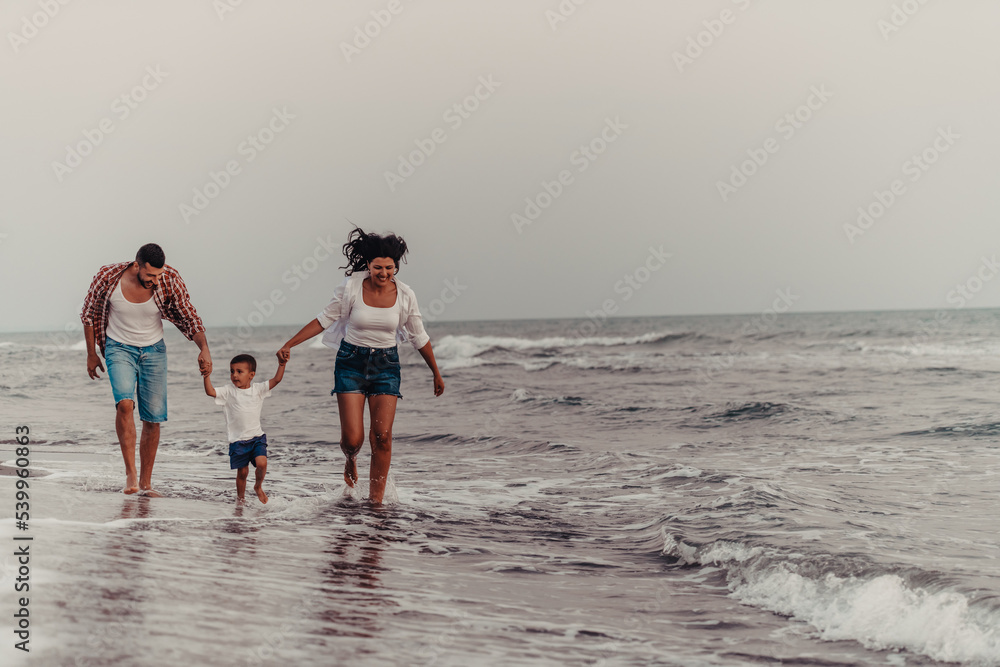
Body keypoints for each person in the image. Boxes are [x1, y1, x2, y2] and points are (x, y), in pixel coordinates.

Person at [277, 228, 444, 504]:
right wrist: (289, 344)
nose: (384, 273)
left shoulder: (405, 295)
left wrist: (436, 373)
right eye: (378, 267)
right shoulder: (351, 288)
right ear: (368, 265)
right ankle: (351, 458)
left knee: (383, 436)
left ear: (396, 267)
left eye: (389, 268)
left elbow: (419, 336)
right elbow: (323, 320)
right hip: (350, 364)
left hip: (386, 366)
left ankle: (375, 503)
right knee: (353, 439)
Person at [81, 243, 212, 497]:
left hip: (153, 351)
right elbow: (88, 314)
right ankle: (130, 475)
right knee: (125, 405)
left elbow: (189, 315)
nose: (155, 280)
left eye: (158, 275)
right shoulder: (108, 278)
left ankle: (146, 483)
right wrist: (91, 353)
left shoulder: (170, 279)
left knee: (153, 418)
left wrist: (204, 348)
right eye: (150, 275)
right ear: (137, 265)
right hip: (119, 348)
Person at [204, 354, 285, 504]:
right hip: (238, 441)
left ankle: (258, 486)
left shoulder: (258, 389)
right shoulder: (228, 391)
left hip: (257, 437)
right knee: (242, 472)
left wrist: (282, 364)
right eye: (232, 371)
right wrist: (206, 376)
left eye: (239, 371)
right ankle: (240, 500)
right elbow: (210, 391)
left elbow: (277, 380)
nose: (234, 375)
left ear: (251, 375)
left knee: (262, 463)